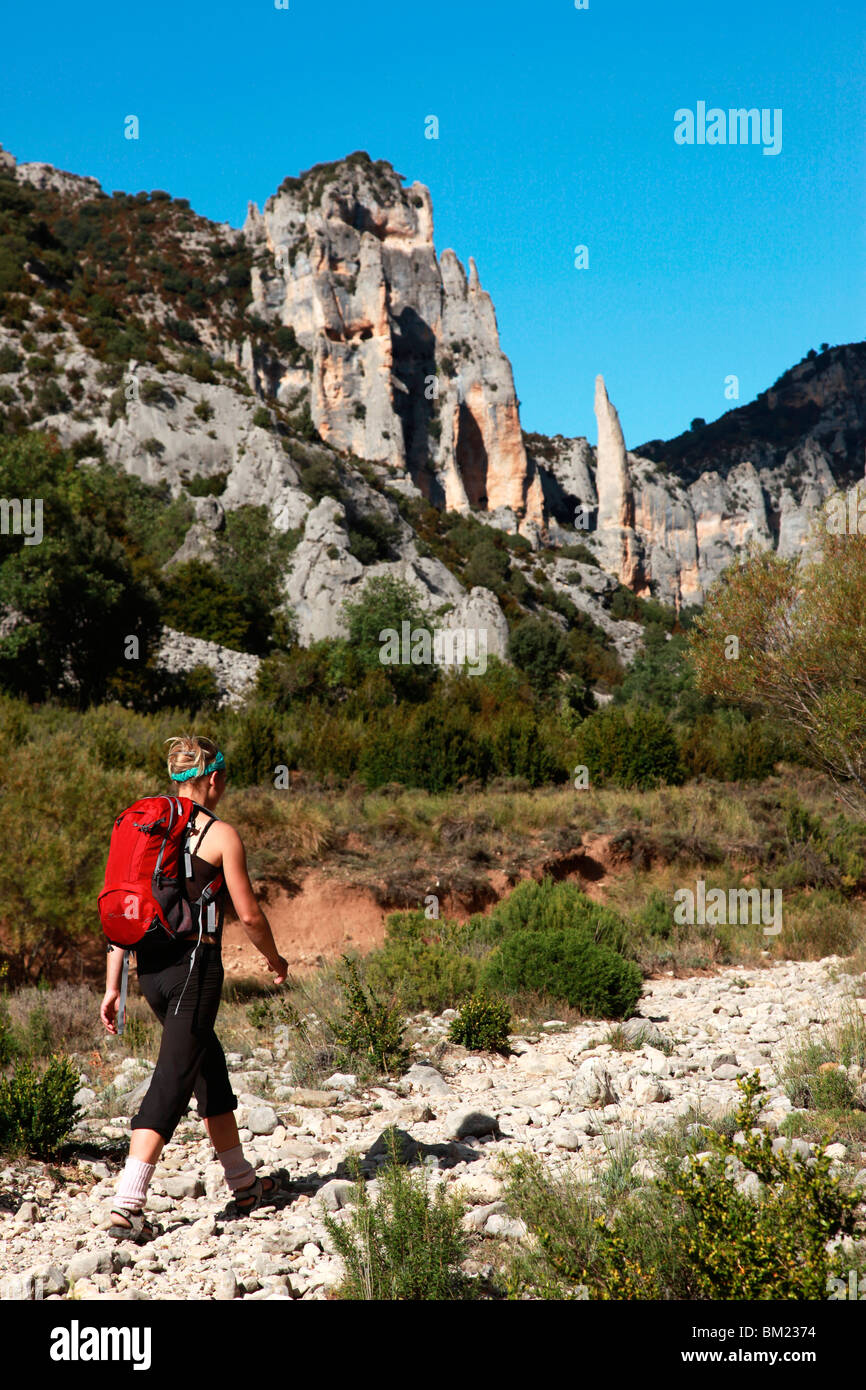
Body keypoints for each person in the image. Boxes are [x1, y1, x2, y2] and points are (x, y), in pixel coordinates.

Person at [100, 735, 289, 1241]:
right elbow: (248, 914)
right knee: (174, 1076)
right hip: (194, 970)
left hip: (150, 972)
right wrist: (275, 960)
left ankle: (245, 1185)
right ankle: (128, 1202)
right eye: (223, 779)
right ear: (213, 778)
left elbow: (129, 906)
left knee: (209, 1067)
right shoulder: (221, 834)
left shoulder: (147, 828)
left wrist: (113, 984)